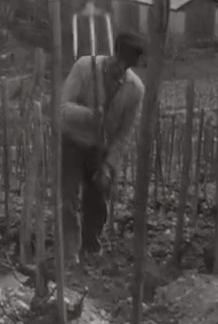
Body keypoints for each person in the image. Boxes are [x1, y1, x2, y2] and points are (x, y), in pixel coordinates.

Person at [60, 31, 146, 265]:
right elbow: (63, 109)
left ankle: (91, 247)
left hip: (100, 149)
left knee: (97, 198)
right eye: (119, 63)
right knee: (68, 198)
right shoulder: (84, 68)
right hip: (72, 141)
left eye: (127, 67)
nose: (121, 70)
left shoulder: (135, 89)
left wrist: (109, 165)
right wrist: (89, 115)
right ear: (113, 54)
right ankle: (70, 252)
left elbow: (124, 134)